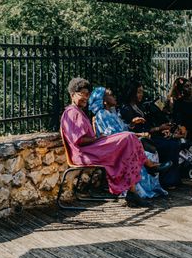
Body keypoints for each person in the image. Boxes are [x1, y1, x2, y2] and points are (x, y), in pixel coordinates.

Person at [60, 77, 169, 207]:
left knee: (128, 143)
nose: (85, 97)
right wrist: (98, 139)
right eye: (82, 94)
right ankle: (149, 166)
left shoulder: (78, 112)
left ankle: (133, 192)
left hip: (90, 149)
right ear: (72, 95)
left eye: (87, 94)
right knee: (128, 138)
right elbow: (80, 140)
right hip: (84, 153)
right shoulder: (72, 113)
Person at [88, 86, 167, 199]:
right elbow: (116, 136)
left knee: (149, 150)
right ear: (104, 101)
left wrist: (131, 124)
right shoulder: (103, 115)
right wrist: (140, 135)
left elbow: (123, 129)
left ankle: (150, 178)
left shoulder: (111, 113)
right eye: (111, 95)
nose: (114, 97)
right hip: (116, 148)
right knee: (140, 148)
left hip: (123, 144)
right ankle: (149, 168)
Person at [119, 80, 183, 187]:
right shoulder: (126, 109)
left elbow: (149, 126)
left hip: (149, 135)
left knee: (174, 141)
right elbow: (133, 130)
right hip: (139, 139)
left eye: (142, 92)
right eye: (138, 92)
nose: (141, 94)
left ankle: (170, 178)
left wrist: (162, 128)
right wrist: (158, 128)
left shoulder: (141, 107)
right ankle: (168, 180)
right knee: (170, 145)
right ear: (132, 92)